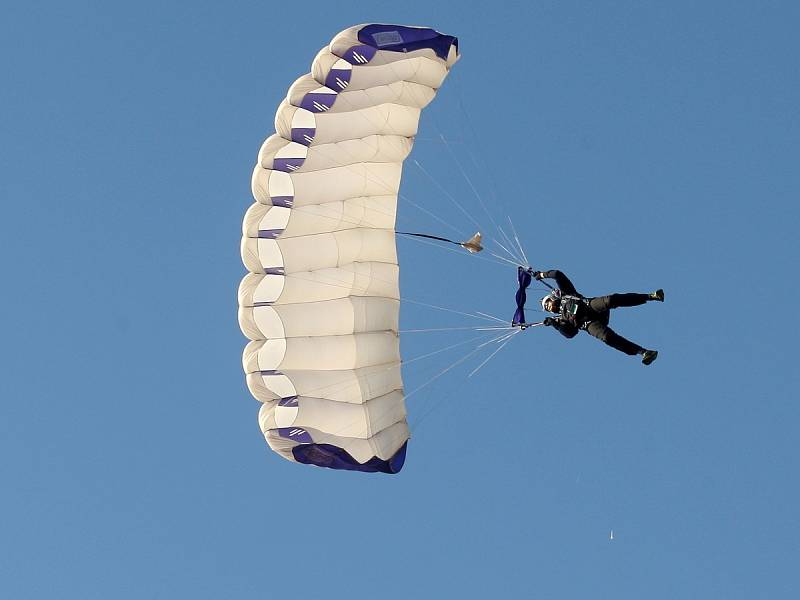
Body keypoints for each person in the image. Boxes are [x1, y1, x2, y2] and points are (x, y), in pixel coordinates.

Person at [532, 268, 663, 365]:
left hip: (591, 306)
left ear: (552, 298)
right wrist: (555, 324)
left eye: (547, 303)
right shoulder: (562, 319)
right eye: (546, 308)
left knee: (611, 300)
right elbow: (570, 334)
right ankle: (644, 352)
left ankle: (651, 296)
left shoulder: (567, 293)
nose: (548, 307)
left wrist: (542, 275)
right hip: (589, 323)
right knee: (607, 338)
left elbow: (557, 274)